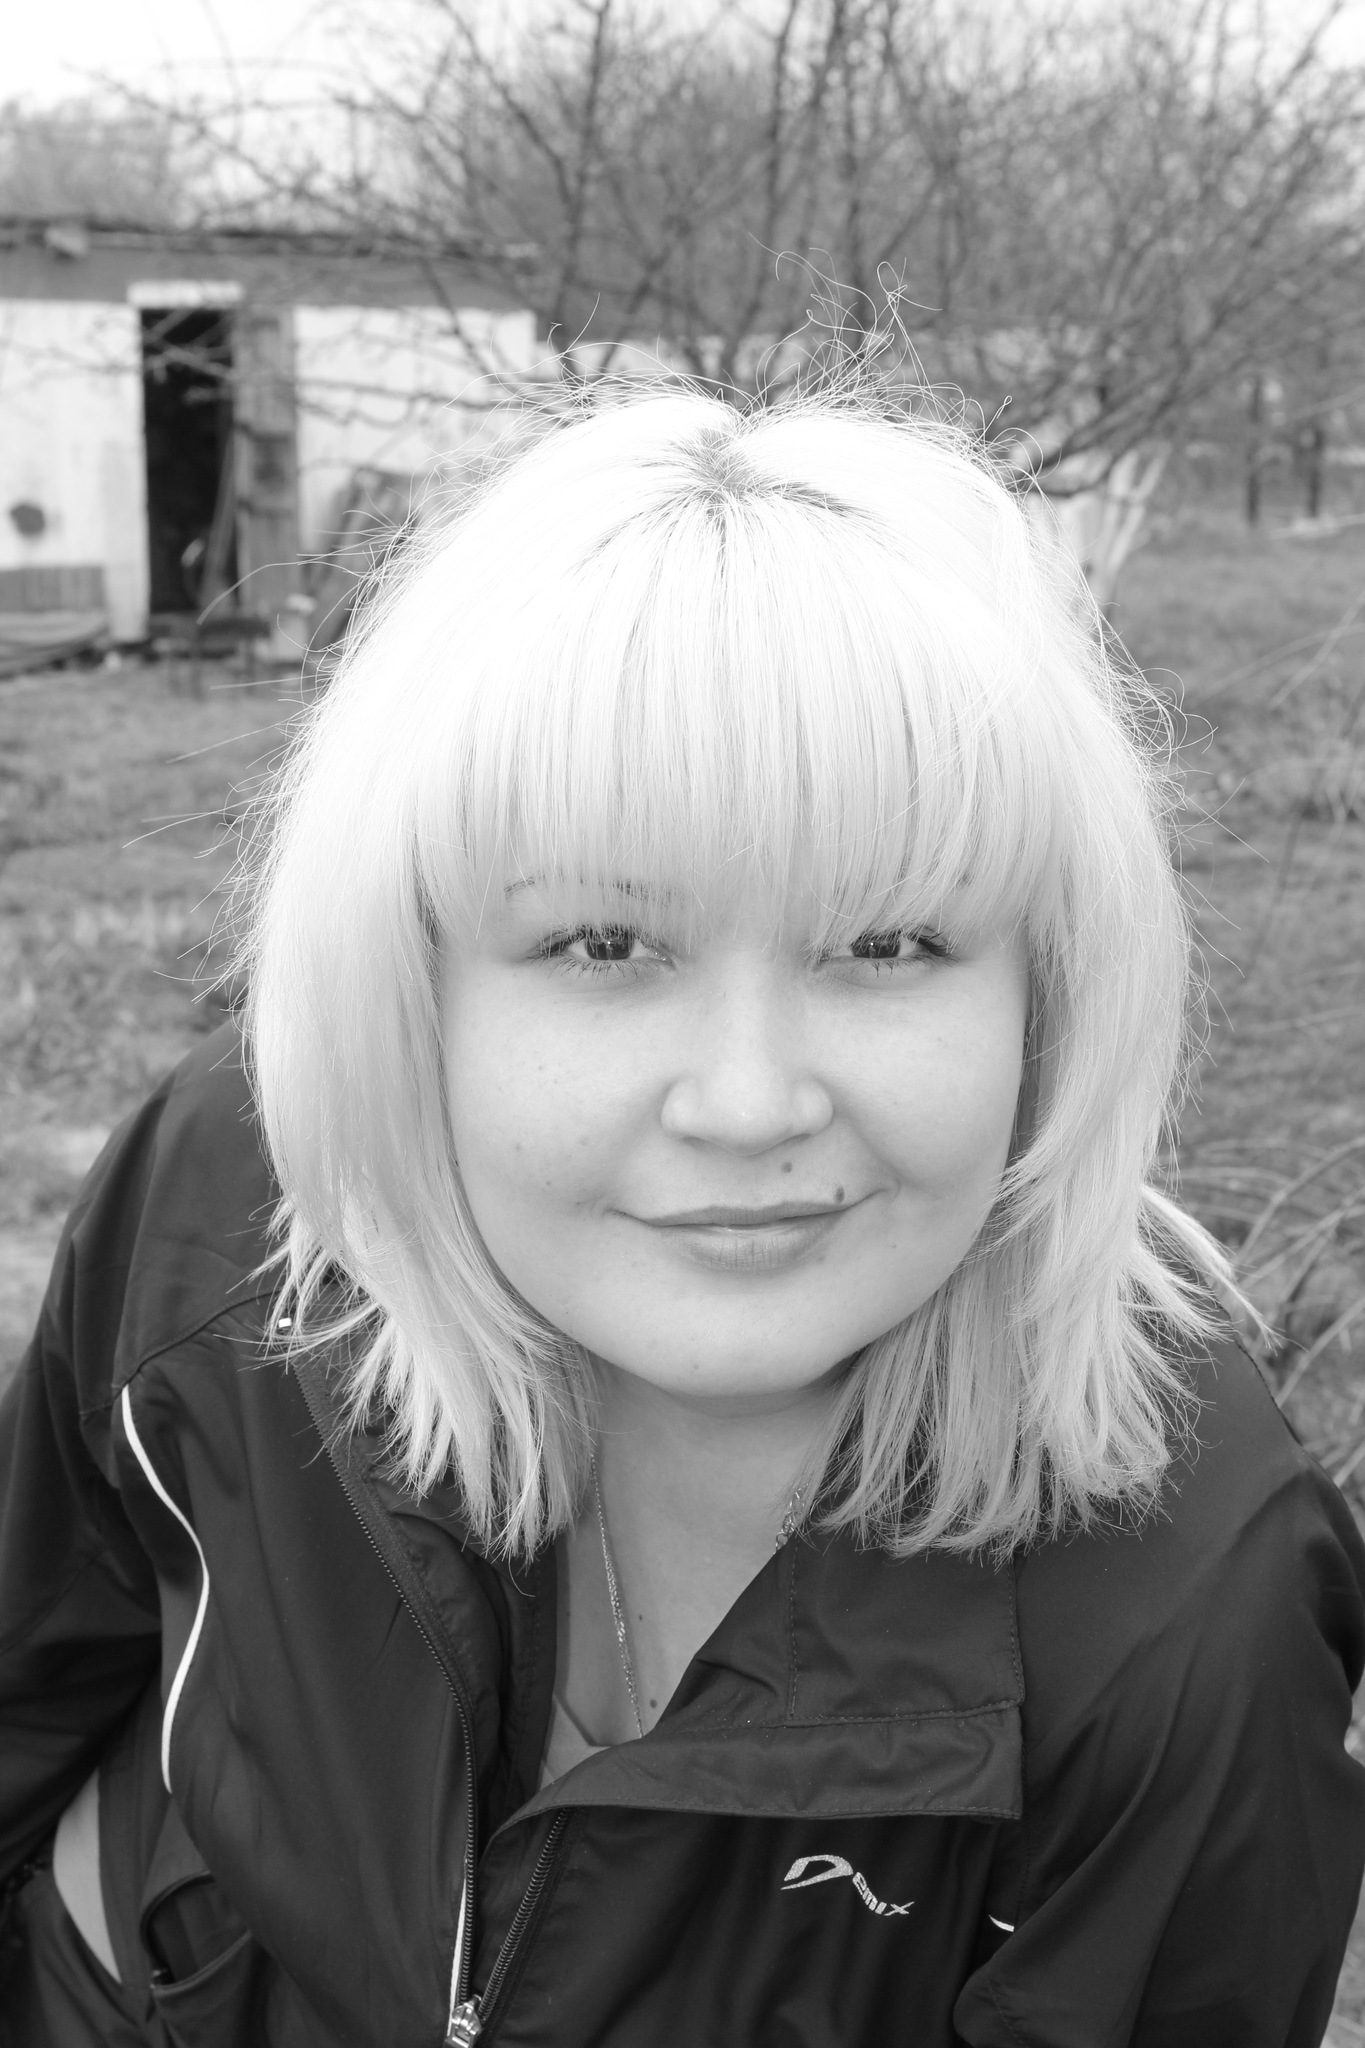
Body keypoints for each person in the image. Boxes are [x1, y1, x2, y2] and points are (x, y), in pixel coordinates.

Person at [1, 389, 1362, 2048]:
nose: (747, 1103)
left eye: (887, 944)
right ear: (411, 987)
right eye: (603, 945)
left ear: (1051, 1001)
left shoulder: (1185, 1623)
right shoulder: (223, 1202)